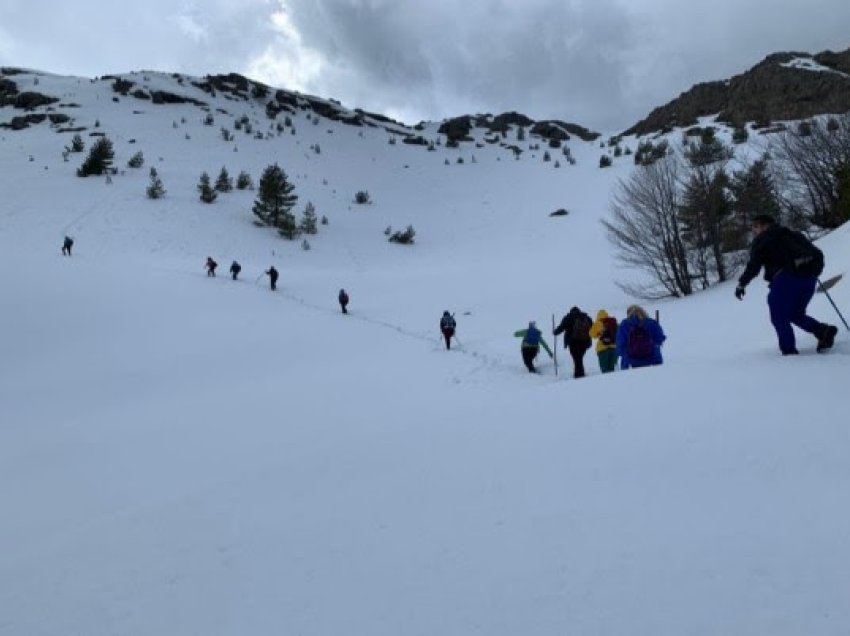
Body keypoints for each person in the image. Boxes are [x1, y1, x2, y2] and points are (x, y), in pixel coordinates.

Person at [735, 214, 837, 354]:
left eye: (755, 226)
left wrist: (742, 284)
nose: (754, 230)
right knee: (795, 314)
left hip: (785, 280)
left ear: (764, 225)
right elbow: (818, 254)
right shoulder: (794, 235)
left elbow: (754, 266)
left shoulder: (763, 239)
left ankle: (789, 352)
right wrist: (812, 272)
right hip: (809, 279)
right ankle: (822, 331)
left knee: (779, 315)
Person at [617, 305, 666, 370]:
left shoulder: (624, 325)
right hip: (652, 359)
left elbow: (621, 344)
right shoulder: (652, 323)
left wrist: (624, 363)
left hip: (631, 361)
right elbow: (660, 339)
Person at [553, 306, 593, 378]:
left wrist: (555, 332)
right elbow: (592, 327)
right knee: (579, 358)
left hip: (573, 342)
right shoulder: (586, 317)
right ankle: (580, 374)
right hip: (584, 342)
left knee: (577, 359)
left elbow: (561, 327)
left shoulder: (569, 317)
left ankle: (579, 376)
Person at [589, 309, 618, 373]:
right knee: (612, 369)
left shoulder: (598, 323)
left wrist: (598, 334)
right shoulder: (613, 322)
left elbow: (591, 334)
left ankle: (606, 382)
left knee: (605, 370)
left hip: (602, 349)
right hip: (613, 348)